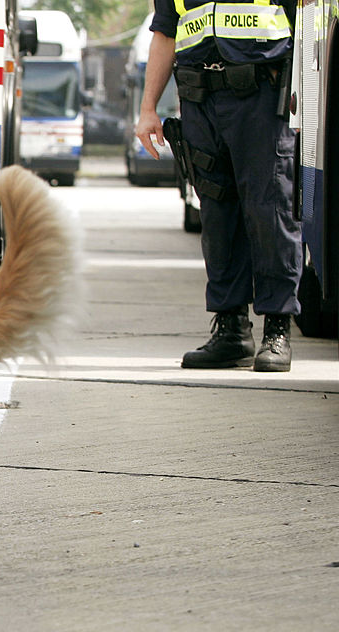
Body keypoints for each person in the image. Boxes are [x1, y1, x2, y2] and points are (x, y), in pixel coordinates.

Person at [135, 0, 301, 372]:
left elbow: (303, 24)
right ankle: (231, 331)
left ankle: (277, 327)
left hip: (261, 94)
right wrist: (148, 109)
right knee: (216, 216)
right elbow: (165, 33)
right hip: (200, 99)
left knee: (269, 210)